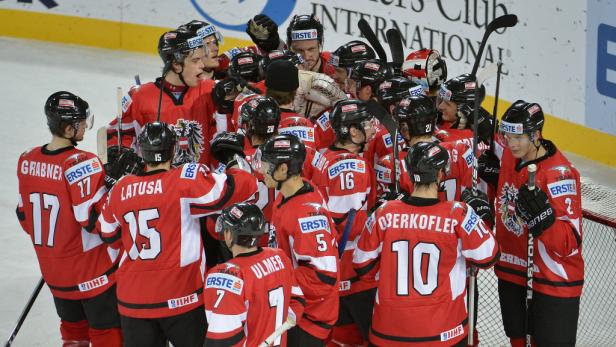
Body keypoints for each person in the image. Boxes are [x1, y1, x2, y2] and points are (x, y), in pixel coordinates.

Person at [98, 122, 258, 347]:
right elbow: (236, 189)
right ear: (173, 150)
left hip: (133, 300)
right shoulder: (183, 180)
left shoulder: (122, 187)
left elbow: (107, 233)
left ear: (141, 151)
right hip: (181, 297)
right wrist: (235, 164)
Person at [353, 141, 500, 347]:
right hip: (444, 332)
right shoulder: (458, 214)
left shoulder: (384, 212)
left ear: (410, 174)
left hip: (388, 332)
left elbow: (362, 266)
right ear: (441, 174)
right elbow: (489, 256)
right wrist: (481, 217)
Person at [16, 91, 123, 346]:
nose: (86, 125)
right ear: (68, 127)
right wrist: (116, 186)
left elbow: (24, 216)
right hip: (92, 272)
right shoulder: (82, 162)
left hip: (54, 272)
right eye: (82, 121)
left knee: (73, 334)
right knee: (106, 334)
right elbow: (95, 221)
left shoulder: (27, 159)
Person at [482, 100, 584, 347]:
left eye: (519, 137)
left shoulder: (559, 176)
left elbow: (570, 242)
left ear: (536, 135)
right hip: (512, 269)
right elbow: (483, 128)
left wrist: (544, 221)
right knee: (516, 338)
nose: (511, 143)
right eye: (507, 136)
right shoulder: (508, 150)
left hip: (552, 280)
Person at [256, 134, 340, 346]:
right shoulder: (288, 194)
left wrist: (274, 277)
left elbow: (324, 277)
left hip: (308, 317)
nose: (262, 170)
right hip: (294, 307)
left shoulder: (306, 216)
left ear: (283, 169)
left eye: (267, 165)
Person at [311, 99, 378, 346]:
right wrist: (380, 214)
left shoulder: (323, 156)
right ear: (352, 130)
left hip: (331, 269)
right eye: (367, 123)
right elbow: (347, 225)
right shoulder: (351, 166)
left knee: (341, 339)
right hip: (355, 270)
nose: (372, 128)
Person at [107, 27, 218, 167]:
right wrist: (123, 154)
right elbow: (117, 134)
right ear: (176, 65)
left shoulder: (211, 90)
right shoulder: (140, 96)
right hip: (160, 186)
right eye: (195, 60)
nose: (202, 65)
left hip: (202, 184)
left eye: (202, 59)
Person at [204, 203, 305, 346]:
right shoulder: (280, 257)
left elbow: (222, 341)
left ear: (230, 235)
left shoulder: (228, 275)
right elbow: (297, 303)